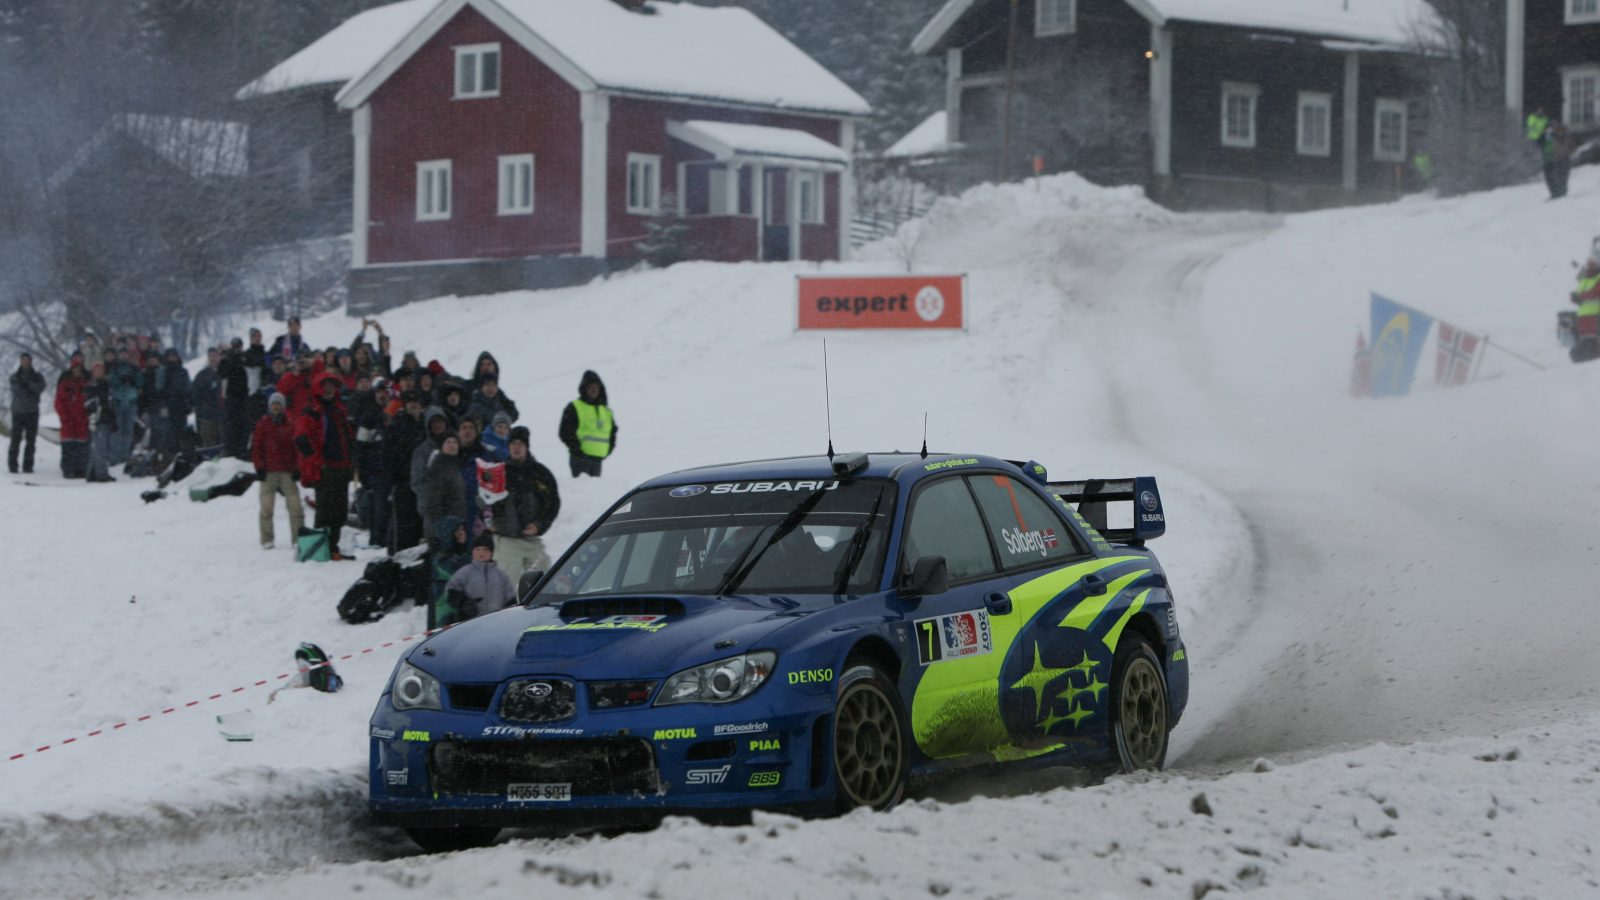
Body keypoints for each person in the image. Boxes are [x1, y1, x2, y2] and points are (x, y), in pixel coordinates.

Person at [295, 371, 356, 560]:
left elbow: (347, 439)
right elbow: (302, 440)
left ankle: (332, 548)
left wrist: (350, 462)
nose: (329, 390)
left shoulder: (339, 410)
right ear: (318, 389)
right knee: (325, 512)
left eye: (332, 386)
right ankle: (319, 551)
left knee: (339, 512)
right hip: (325, 469)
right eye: (325, 386)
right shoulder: (312, 412)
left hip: (341, 467)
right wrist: (319, 463)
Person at [490, 426, 561, 581]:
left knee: (543, 583)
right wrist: (491, 522)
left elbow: (552, 503)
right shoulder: (498, 472)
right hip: (505, 540)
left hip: (532, 540)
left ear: (527, 446)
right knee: (509, 587)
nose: (516, 447)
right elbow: (485, 501)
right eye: (513, 443)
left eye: (520, 444)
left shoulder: (540, 473)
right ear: (508, 446)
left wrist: (539, 524)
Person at [252, 392, 304, 550]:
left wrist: (297, 468)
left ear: (283, 406)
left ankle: (298, 538)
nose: (276, 406)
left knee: (295, 506)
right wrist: (259, 467)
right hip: (268, 471)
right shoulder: (263, 424)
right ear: (270, 406)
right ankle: (267, 539)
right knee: (266, 507)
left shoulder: (290, 424)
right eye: (274, 404)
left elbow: (296, 448)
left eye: (279, 404)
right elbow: (256, 448)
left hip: (287, 470)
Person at [442, 531, 518, 624]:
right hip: (470, 622)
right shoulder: (465, 572)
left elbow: (510, 599)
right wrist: (464, 603)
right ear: (472, 552)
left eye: (485, 549)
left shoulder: (501, 575)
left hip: (497, 622)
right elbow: (451, 592)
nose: (481, 552)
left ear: (491, 553)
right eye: (477, 549)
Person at [385, 390, 428, 552]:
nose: (413, 405)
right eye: (410, 402)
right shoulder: (397, 425)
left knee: (420, 524)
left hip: (423, 483)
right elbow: (387, 454)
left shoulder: (426, 424)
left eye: (416, 402)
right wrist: (394, 477)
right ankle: (399, 557)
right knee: (403, 525)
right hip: (403, 481)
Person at [558, 370, 616, 477]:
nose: (593, 389)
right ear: (584, 388)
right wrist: (577, 451)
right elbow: (565, 432)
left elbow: (612, 432)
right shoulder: (574, 407)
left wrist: (608, 450)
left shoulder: (606, 411)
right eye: (590, 386)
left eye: (596, 386)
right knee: (582, 487)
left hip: (598, 460)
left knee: (593, 487)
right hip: (579, 460)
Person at [419, 433, 467, 538]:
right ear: (441, 446)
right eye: (448, 442)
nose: (452, 445)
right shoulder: (437, 468)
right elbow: (432, 501)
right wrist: (441, 525)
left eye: (455, 442)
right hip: (442, 524)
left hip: (455, 522)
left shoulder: (455, 466)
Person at [427, 515, 471, 629]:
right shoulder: (444, 560)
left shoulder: (461, 554)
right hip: (449, 614)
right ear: (449, 535)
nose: (463, 533)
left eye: (463, 530)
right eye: (458, 531)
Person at [54, 353, 90, 479]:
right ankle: (68, 470)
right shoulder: (65, 382)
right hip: (68, 419)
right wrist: (64, 416)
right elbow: (59, 401)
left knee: (82, 446)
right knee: (68, 445)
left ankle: (81, 470)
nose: (77, 371)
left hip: (82, 419)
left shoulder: (86, 382)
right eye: (75, 369)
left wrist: (86, 415)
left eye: (79, 369)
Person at [8, 352, 45, 474]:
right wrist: (30, 388)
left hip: (32, 412)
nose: (25, 362)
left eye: (27, 360)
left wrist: (28, 385)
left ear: (30, 361)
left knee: (31, 441)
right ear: (20, 361)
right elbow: (16, 390)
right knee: (15, 440)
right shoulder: (15, 377)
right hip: (18, 412)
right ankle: (12, 465)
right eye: (23, 360)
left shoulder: (37, 377)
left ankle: (28, 466)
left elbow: (40, 387)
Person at [84, 362, 118, 482]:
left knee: (100, 448)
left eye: (101, 370)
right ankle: (101, 474)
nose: (99, 372)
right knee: (100, 448)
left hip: (107, 419)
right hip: (97, 419)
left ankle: (92, 473)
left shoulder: (108, 385)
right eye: (96, 370)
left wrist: (113, 419)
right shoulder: (91, 386)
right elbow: (89, 404)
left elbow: (111, 404)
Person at [108, 347, 141, 465]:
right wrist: (120, 381)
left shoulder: (134, 368)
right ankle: (115, 457)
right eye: (122, 354)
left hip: (131, 402)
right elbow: (111, 383)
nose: (124, 356)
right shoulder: (115, 368)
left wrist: (133, 381)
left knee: (128, 431)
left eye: (125, 354)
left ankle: (125, 456)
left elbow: (140, 383)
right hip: (118, 402)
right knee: (117, 431)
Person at [157, 348, 192, 457]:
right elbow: (159, 390)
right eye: (170, 356)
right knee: (168, 433)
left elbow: (188, 388)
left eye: (174, 356)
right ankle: (168, 456)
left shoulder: (183, 371)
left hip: (181, 406)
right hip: (168, 406)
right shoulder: (163, 371)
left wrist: (189, 403)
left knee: (182, 432)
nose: (172, 358)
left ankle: (182, 454)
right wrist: (163, 406)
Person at [1571, 244, 1600, 364]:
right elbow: (1581, 293)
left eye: (1592, 261)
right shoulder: (1585, 278)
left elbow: (1595, 293)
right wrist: (1575, 298)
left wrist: (1580, 297)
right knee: (1584, 347)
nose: (1588, 263)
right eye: (1588, 261)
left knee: (1593, 345)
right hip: (1583, 317)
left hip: (1596, 317)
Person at [191, 347, 224, 451]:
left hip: (223, 414)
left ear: (219, 356)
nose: (213, 358)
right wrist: (202, 409)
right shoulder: (202, 375)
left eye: (215, 356)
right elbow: (195, 395)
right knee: (208, 443)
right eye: (210, 356)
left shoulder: (226, 372)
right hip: (207, 416)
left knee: (223, 441)